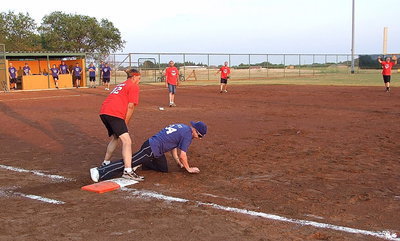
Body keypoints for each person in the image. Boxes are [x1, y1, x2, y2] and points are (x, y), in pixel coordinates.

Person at [90, 121, 207, 182]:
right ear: (195, 131)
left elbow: (173, 145)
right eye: (199, 136)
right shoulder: (187, 135)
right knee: (129, 163)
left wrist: (177, 161)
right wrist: (188, 168)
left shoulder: (183, 127)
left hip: (156, 150)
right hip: (151, 148)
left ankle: (144, 162)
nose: (199, 138)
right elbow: (183, 155)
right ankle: (99, 172)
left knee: (163, 169)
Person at [97, 68, 141, 181]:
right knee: (127, 141)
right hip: (114, 113)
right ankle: (128, 171)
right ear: (134, 77)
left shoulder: (121, 84)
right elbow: (131, 106)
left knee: (116, 137)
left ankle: (105, 163)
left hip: (104, 112)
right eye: (139, 78)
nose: (139, 81)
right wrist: (125, 122)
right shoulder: (133, 86)